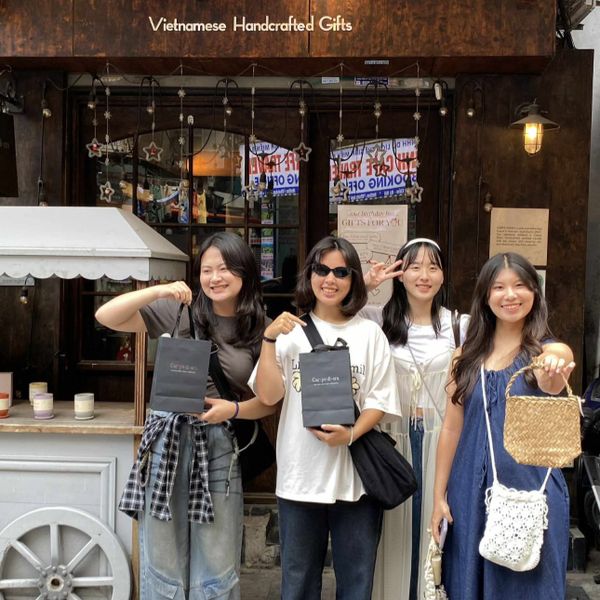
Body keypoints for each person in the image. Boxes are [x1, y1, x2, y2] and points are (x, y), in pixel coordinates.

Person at [95, 231, 275, 600]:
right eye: (207, 270)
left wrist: (233, 409)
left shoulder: (260, 328)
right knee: (163, 558)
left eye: (224, 269)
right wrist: (158, 291)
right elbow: (106, 315)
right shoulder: (178, 313)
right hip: (167, 441)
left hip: (219, 444)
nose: (215, 278)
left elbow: (271, 401)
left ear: (244, 272)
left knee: (217, 560)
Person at [252, 236, 401, 600]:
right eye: (321, 269)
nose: (330, 279)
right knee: (298, 584)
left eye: (341, 272)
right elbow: (268, 396)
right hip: (300, 478)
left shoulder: (370, 334)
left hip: (357, 481)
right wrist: (268, 340)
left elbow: (380, 400)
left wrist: (349, 434)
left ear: (354, 279)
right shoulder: (289, 333)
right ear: (310, 274)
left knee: (356, 584)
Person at [430, 252, 575, 599]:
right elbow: (451, 428)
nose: (510, 295)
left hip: (530, 494)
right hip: (468, 491)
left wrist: (553, 367)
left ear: (535, 292)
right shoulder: (464, 356)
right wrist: (438, 496)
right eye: (498, 287)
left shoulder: (549, 350)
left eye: (520, 286)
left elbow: (552, 378)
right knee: (468, 583)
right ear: (485, 296)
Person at [362, 238, 469, 600]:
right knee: (392, 534)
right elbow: (330, 314)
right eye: (415, 267)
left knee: (436, 530)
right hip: (392, 440)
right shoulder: (376, 320)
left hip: (442, 439)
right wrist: (367, 285)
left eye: (433, 267)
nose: (424, 275)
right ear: (400, 274)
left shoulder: (460, 326)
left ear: (443, 275)